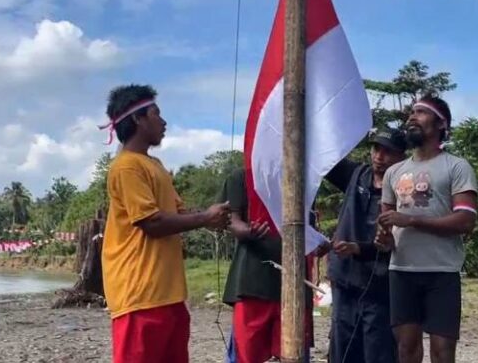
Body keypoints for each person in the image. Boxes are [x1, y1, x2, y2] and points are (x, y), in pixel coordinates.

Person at [100, 84, 230, 363]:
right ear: (137, 119)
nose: (164, 121)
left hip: (167, 295)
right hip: (139, 296)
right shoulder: (126, 167)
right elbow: (152, 223)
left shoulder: (155, 165)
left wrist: (213, 217)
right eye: (156, 113)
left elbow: (179, 214)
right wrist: (205, 218)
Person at [376, 94, 478, 363]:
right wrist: (384, 239)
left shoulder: (457, 167)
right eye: (411, 112)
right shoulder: (393, 172)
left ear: (441, 124)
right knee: (406, 350)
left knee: (442, 352)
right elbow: (387, 226)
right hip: (401, 271)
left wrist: (410, 220)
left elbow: (466, 221)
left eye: (421, 112)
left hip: (442, 272)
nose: (412, 117)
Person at [220, 167, 321, 363]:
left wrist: (319, 243)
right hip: (252, 282)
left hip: (296, 284)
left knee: (295, 354)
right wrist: (247, 231)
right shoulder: (241, 176)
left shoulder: (305, 179)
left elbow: (309, 228)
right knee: (247, 355)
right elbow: (231, 220)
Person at [324, 127, 407, 363]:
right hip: (345, 282)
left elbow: (398, 241)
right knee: (343, 349)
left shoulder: (406, 193)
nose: (379, 157)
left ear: (402, 157)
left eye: (387, 152)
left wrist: (359, 248)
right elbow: (324, 158)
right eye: (375, 148)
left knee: (378, 351)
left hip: (382, 287)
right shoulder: (355, 175)